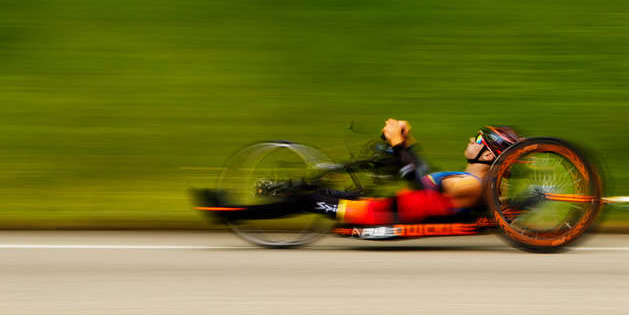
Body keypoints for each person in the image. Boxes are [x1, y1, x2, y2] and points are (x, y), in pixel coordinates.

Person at [195, 119, 522, 226]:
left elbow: (421, 193)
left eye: (479, 139)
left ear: (490, 153)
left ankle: (229, 213)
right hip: (387, 207)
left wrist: (400, 146)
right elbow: (423, 178)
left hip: (378, 216)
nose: (472, 140)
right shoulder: (469, 181)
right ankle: (262, 197)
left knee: (307, 200)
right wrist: (408, 143)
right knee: (317, 188)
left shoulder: (473, 186)